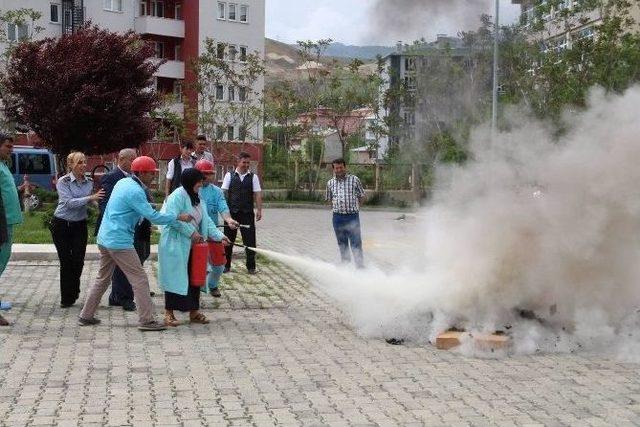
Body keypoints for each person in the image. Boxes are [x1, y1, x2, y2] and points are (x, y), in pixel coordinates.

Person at [79, 156, 192, 331]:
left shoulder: (123, 183)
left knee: (102, 278)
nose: (154, 176)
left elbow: (136, 209)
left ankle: (86, 315)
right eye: (152, 173)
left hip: (105, 237)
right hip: (119, 241)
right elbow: (153, 217)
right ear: (142, 172)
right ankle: (147, 320)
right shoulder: (135, 191)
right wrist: (179, 216)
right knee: (139, 279)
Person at [158, 168, 229, 327]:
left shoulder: (197, 197)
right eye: (198, 182)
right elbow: (172, 219)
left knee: (195, 276)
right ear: (190, 182)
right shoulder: (177, 196)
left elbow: (207, 222)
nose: (201, 184)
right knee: (175, 277)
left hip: (194, 246)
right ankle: (169, 313)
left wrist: (219, 236)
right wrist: (191, 233)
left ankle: (193, 312)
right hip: (175, 244)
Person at [50, 152, 105, 308]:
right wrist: (91, 198)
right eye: (79, 162)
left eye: (84, 162)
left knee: (78, 260)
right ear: (70, 165)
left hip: (79, 225)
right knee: (66, 261)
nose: (83, 165)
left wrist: (100, 206)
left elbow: (92, 201)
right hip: (61, 224)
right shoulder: (63, 181)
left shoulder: (88, 182)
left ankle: (73, 290)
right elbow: (68, 203)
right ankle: (66, 298)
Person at [94, 148, 142, 312]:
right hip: (116, 230)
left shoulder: (135, 177)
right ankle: (124, 298)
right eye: (132, 160)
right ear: (122, 159)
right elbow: (104, 203)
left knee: (134, 260)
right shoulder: (111, 177)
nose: (135, 163)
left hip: (132, 227)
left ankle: (115, 296)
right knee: (121, 268)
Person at [194, 160, 239, 297]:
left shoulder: (217, 192)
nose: (209, 177)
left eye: (211, 174)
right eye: (206, 174)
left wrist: (229, 220)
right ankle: (195, 290)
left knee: (219, 265)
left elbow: (223, 208)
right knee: (198, 265)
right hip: (195, 234)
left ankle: (213, 285)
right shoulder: (192, 190)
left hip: (213, 233)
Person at [221, 152, 263, 274]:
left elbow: (258, 194)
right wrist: (223, 211)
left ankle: (251, 267)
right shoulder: (229, 175)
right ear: (238, 162)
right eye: (244, 162)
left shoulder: (253, 177)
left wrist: (259, 210)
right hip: (231, 214)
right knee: (228, 240)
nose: (246, 165)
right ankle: (226, 265)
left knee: (250, 241)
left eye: (248, 163)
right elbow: (223, 193)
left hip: (247, 213)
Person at [0, 135, 23, 326]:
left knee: (3, 259)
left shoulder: (4, 165)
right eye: (7, 146)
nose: (11, 150)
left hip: (8, 221)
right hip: (1, 222)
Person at [326, 158, 365, 268]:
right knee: (342, 243)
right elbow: (329, 198)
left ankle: (360, 268)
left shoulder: (354, 180)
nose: (339, 170)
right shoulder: (330, 183)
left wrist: (356, 208)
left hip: (352, 217)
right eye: (336, 168)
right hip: (337, 218)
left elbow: (361, 195)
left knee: (356, 243)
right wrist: (335, 208)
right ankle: (346, 267)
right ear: (334, 169)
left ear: (345, 167)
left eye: (341, 167)